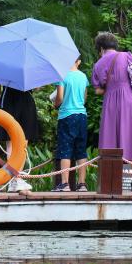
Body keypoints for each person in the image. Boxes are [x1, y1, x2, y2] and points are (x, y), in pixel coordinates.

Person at [90, 31, 132, 191]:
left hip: (110, 102)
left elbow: (98, 91)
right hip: (129, 100)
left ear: (101, 48)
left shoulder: (98, 64)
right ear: (115, 45)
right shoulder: (126, 55)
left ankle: (109, 182)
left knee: (109, 138)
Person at [0, 83, 42, 192]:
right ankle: (16, 179)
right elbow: (36, 87)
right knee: (23, 142)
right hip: (26, 100)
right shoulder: (30, 65)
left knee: (11, 142)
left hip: (8, 100)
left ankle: (14, 180)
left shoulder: (3, 65)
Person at [52, 55, 90, 192]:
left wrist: (55, 104)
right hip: (82, 115)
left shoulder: (62, 76)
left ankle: (65, 184)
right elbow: (85, 98)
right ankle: (82, 184)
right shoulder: (83, 77)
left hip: (66, 116)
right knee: (81, 149)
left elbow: (60, 98)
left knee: (65, 149)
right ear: (78, 61)